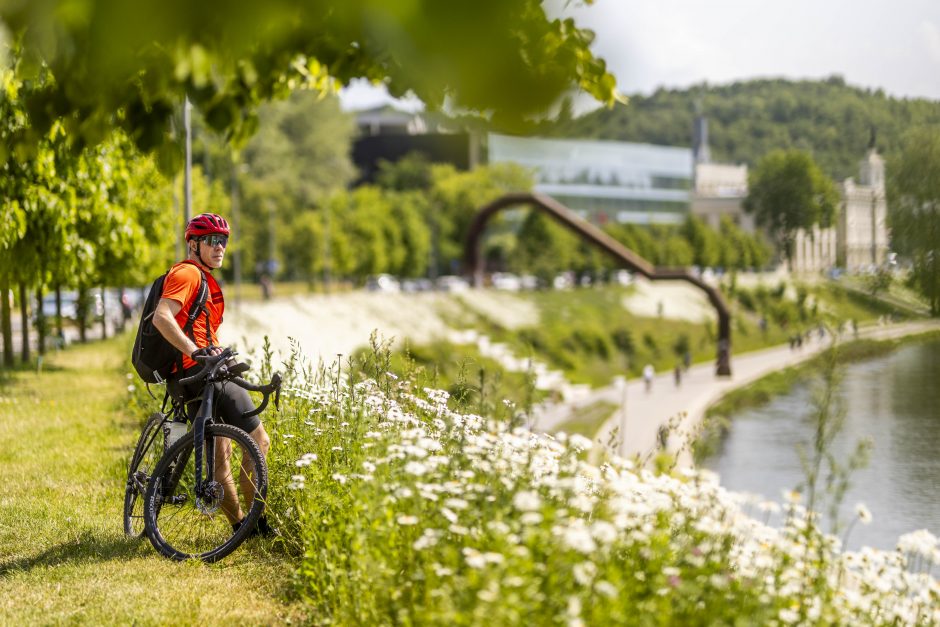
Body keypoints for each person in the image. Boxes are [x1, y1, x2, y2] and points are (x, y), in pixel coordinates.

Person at [152, 212, 273, 537]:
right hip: (202, 374)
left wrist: (212, 352)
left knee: (222, 451)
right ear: (194, 244)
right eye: (212, 240)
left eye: (224, 241)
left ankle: (240, 528)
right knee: (258, 441)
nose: (220, 247)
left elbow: (201, 331)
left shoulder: (202, 278)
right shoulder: (188, 273)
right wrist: (196, 353)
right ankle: (257, 525)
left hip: (195, 376)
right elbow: (162, 317)